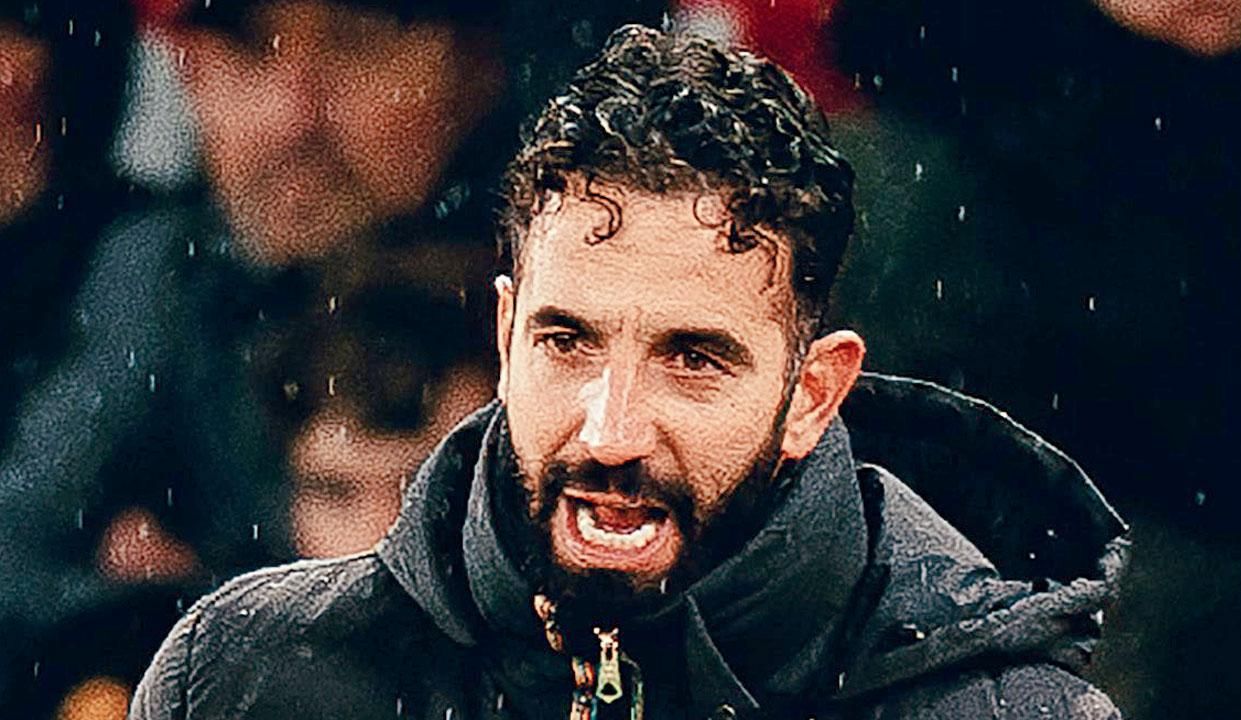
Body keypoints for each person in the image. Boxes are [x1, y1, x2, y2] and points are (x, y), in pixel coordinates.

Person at [129, 25, 1128, 720]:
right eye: (567, 343)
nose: (609, 432)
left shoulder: (1005, 713)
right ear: (507, 336)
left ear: (811, 394)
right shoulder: (243, 679)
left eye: (691, 359)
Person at [0, 0, 661, 715]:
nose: (294, 117)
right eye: (250, 48)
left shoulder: (585, 288)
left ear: (476, 69)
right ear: (189, 72)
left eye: (356, 44)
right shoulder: (159, 273)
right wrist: (143, 628)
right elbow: (17, 554)